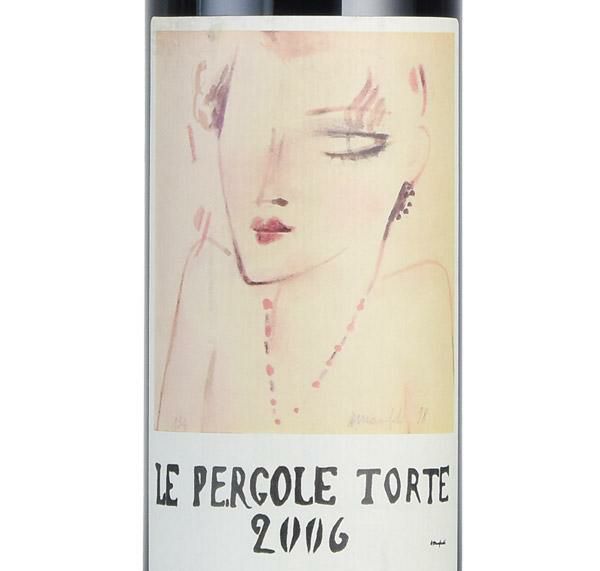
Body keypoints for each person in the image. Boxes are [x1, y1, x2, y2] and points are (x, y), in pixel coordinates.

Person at [155, 31, 454, 434]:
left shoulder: (415, 306)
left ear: (410, 156)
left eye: (339, 140)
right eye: (247, 127)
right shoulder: (206, 289)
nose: (270, 186)